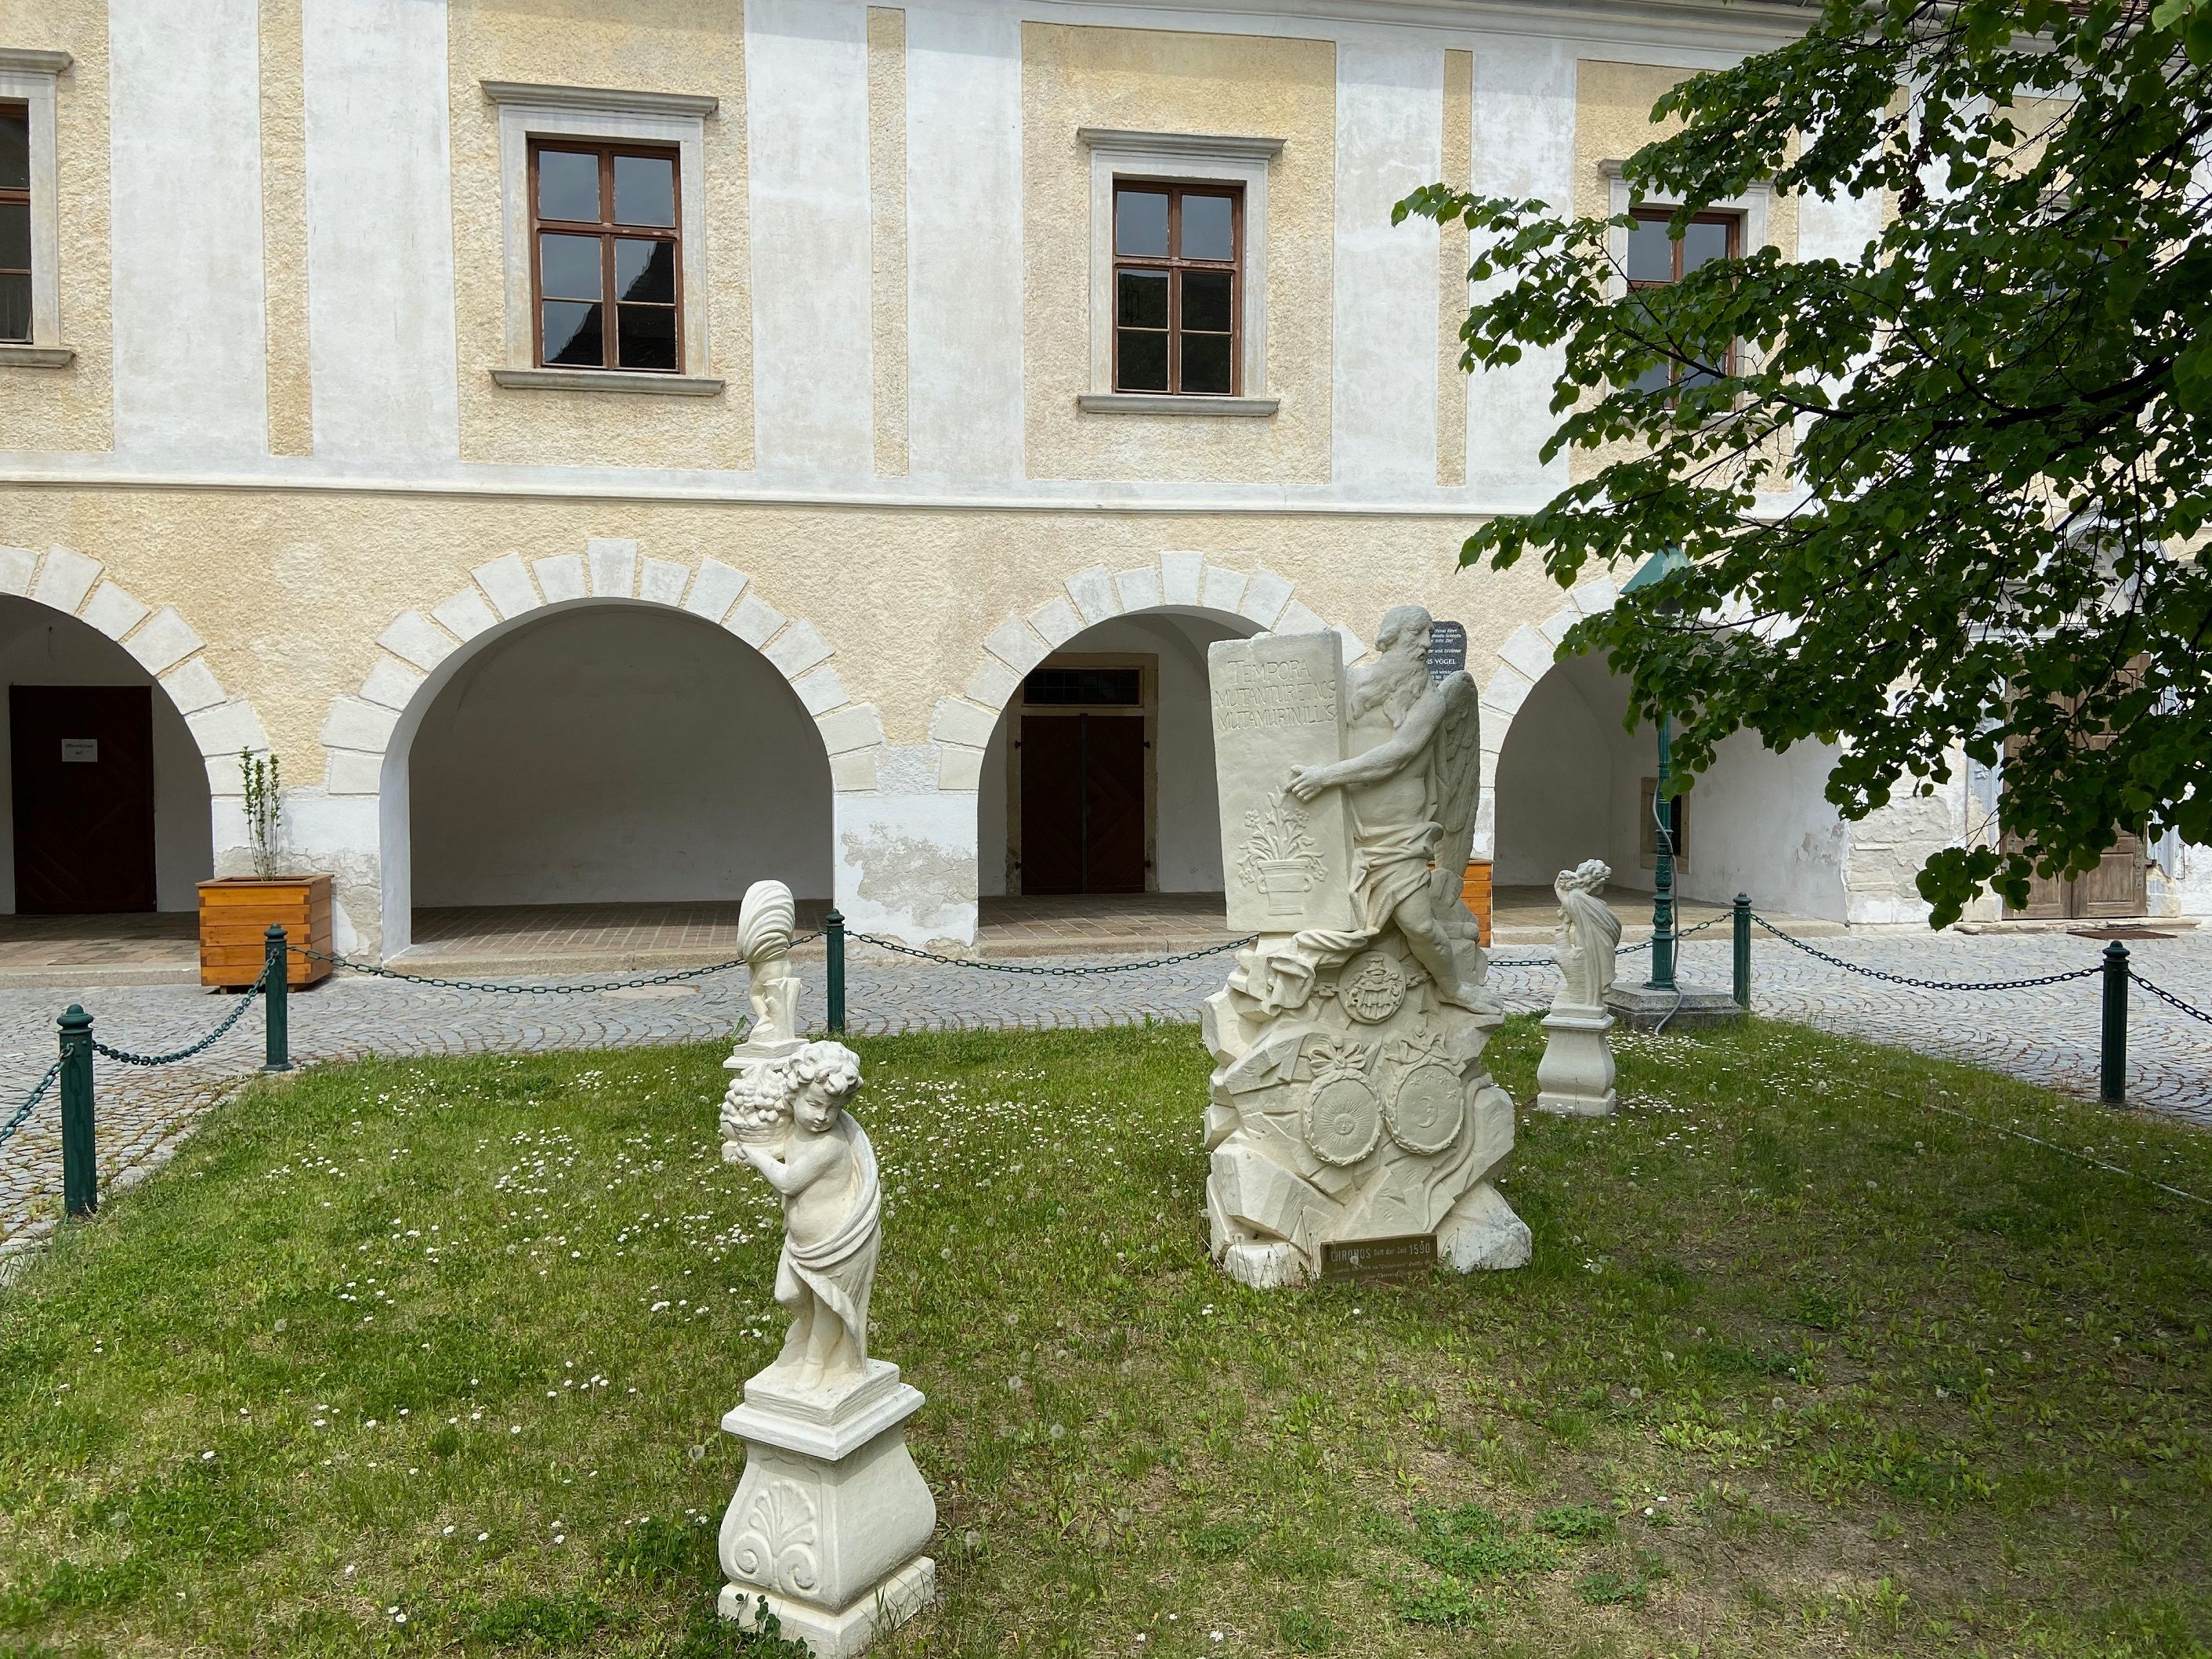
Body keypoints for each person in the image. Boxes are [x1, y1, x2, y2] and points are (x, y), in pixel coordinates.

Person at [1285, 605, 1487, 1011]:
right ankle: (1310, 999)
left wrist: (1326, 776)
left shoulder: (1430, 699)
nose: (1427, 644)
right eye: (1418, 634)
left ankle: (1453, 990)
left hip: (1400, 833)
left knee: (1419, 925)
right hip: (1345, 824)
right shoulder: (1350, 683)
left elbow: (1398, 754)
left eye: (1431, 635)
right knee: (1325, 916)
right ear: (1390, 637)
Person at [733, 1041, 881, 1392]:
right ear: (793, 1095)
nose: (822, 1116)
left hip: (836, 1244)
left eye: (833, 1109)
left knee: (830, 1304)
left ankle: (816, 1363)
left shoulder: (829, 1145)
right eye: (814, 1104)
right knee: (787, 1294)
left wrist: (755, 1157)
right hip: (800, 1242)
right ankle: (810, 1333)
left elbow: (788, 1181)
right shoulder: (794, 1131)